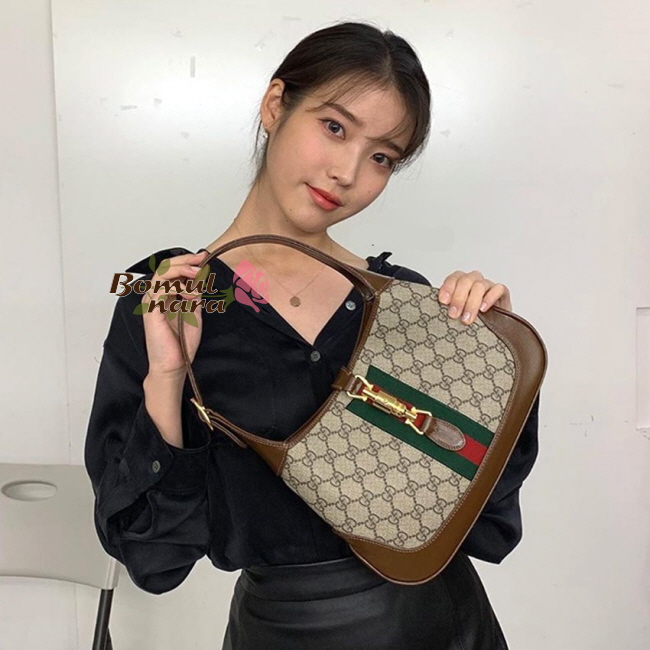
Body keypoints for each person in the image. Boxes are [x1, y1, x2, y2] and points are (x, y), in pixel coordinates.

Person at [85, 20, 540, 650]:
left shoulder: (405, 302)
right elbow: (149, 553)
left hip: (445, 624)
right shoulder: (169, 296)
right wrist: (167, 378)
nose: (347, 172)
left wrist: (492, 362)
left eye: (382, 157)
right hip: (283, 631)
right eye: (334, 127)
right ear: (276, 105)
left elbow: (483, 515)